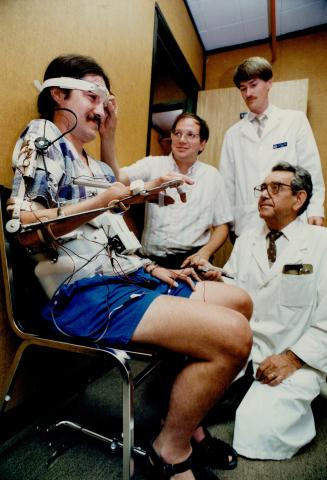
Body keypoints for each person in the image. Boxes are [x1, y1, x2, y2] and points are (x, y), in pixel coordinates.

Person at [8, 54, 253, 480]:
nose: (101, 108)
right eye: (92, 96)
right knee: (234, 335)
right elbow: (26, 230)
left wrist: (154, 268)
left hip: (123, 277)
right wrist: (105, 200)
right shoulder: (44, 135)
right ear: (56, 95)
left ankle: (184, 419)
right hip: (81, 294)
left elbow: (111, 209)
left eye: (106, 100)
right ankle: (171, 449)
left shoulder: (90, 162)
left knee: (239, 301)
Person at [195, 162, 327, 460]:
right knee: (185, 402)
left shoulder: (322, 244)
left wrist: (292, 359)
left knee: (257, 435)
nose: (264, 194)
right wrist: (217, 277)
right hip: (245, 347)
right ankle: (240, 389)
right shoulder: (247, 241)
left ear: (299, 199)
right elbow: (236, 286)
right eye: (262, 188)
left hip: (293, 354)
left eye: (275, 188)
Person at [219, 56, 325, 238]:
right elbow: (227, 184)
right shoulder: (233, 134)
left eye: (253, 85)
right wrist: (229, 224)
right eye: (243, 89)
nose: (248, 93)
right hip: (247, 222)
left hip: (292, 216)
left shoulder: (294, 120)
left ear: (269, 83)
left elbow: (311, 170)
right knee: (249, 266)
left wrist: (315, 209)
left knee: (292, 267)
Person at [115, 112, 232, 269]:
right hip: (151, 262)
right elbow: (116, 178)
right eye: (178, 133)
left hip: (191, 261)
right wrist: (108, 135)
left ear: (202, 144)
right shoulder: (152, 164)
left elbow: (222, 225)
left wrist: (205, 253)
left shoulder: (212, 176)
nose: (182, 140)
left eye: (191, 135)